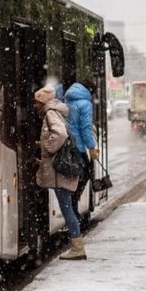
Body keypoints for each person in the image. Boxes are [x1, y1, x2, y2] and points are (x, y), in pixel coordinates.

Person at [34, 84, 87, 260]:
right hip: (62, 171)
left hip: (59, 172)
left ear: (43, 102)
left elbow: (60, 134)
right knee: (68, 208)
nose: (35, 106)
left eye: (36, 102)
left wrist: (48, 149)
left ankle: (77, 247)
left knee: (67, 210)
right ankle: (77, 246)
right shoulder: (56, 111)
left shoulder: (50, 113)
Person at [63, 80, 100, 221]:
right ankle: (73, 204)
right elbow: (85, 129)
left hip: (67, 145)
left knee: (74, 175)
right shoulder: (85, 104)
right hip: (77, 145)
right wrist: (91, 147)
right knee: (86, 173)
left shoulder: (67, 99)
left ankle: (72, 203)